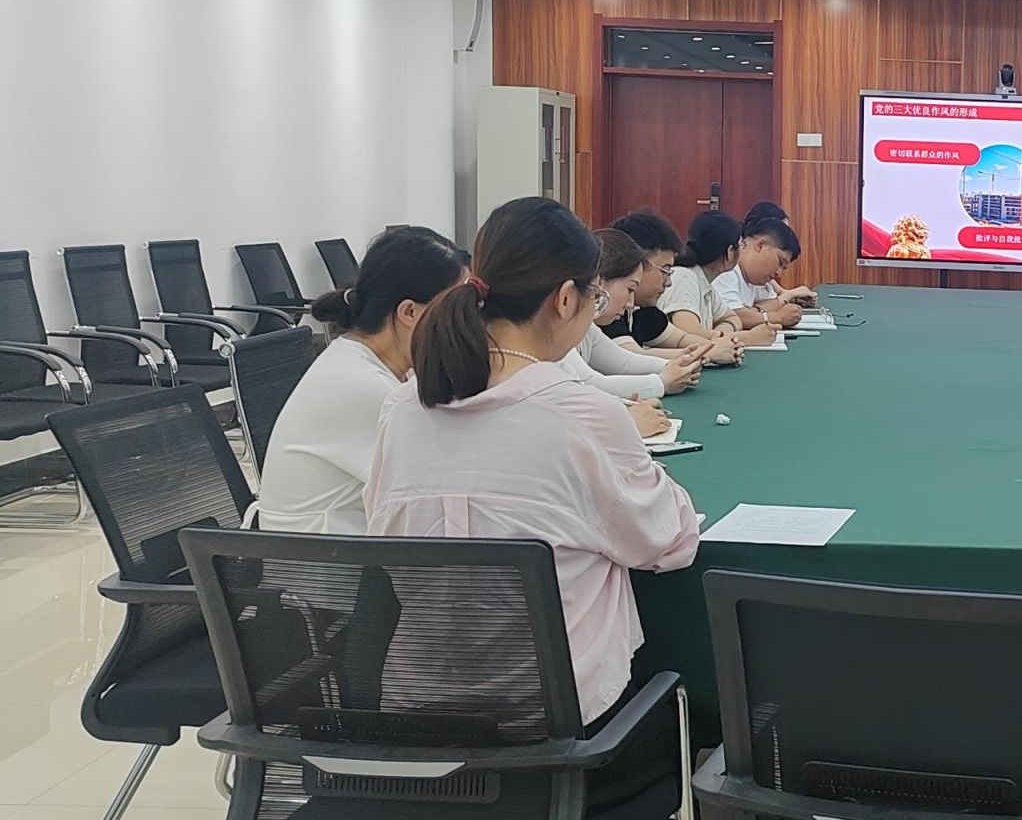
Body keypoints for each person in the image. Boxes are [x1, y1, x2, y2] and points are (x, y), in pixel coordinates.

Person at [366, 196, 701, 808]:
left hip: (419, 728)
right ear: (566, 300)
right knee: (694, 717)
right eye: (595, 297)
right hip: (567, 743)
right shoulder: (580, 414)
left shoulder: (402, 408)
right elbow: (671, 543)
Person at [259, 227, 466, 537]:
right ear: (409, 312)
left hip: (340, 547)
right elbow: (441, 488)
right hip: (318, 560)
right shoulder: (363, 384)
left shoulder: (367, 361)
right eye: (456, 309)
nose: (465, 322)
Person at [557, 229, 702, 437]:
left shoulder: (586, 326)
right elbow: (592, 385)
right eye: (630, 290)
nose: (631, 304)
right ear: (600, 281)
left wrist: (670, 367)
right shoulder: (559, 330)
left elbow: (623, 362)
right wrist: (662, 383)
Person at [604, 209, 720, 363]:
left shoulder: (641, 308)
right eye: (665, 270)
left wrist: (716, 346)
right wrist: (706, 354)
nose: (669, 282)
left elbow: (681, 339)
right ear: (637, 264)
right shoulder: (609, 308)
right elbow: (631, 358)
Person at [658, 210, 779, 350]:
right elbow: (688, 334)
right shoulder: (684, 278)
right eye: (741, 246)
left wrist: (721, 334)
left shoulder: (704, 281)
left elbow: (732, 318)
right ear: (729, 252)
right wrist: (748, 338)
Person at [714, 215, 806, 330]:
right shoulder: (726, 265)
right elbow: (731, 317)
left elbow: (775, 303)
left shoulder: (753, 276)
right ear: (761, 245)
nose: (778, 273)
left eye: (783, 268)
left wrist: (754, 312)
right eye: (780, 262)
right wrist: (778, 317)